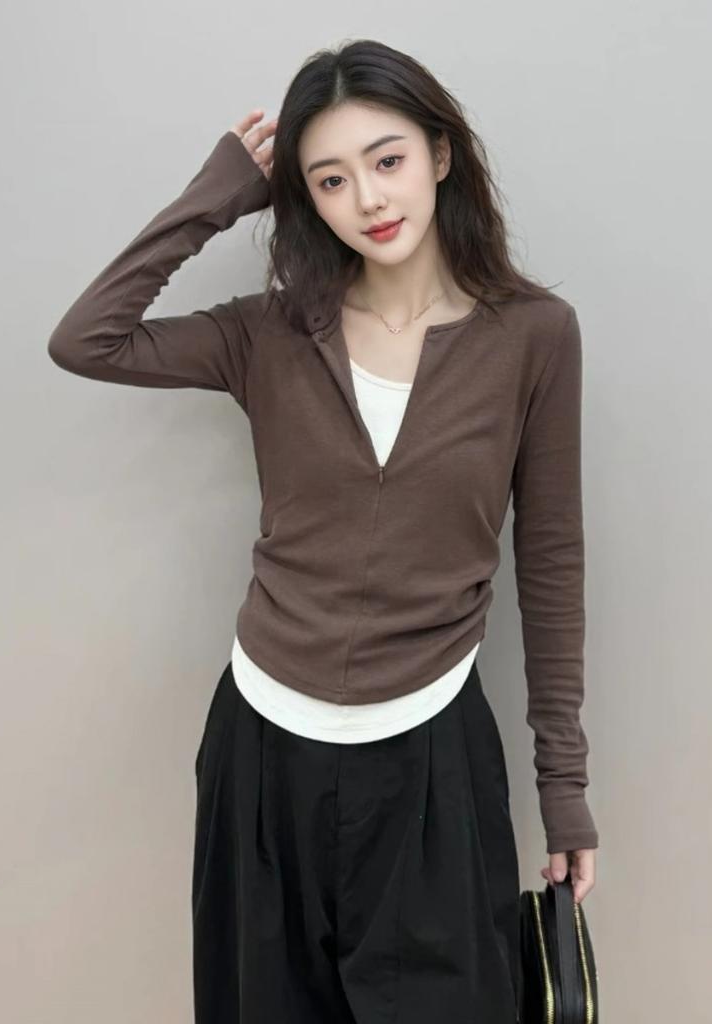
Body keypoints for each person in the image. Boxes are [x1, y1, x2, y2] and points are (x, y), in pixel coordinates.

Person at [49, 38, 598, 1024]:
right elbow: (88, 339)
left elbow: (551, 561)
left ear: (440, 154)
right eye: (330, 179)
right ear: (303, 197)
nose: (368, 199)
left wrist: (564, 787)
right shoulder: (268, 333)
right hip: (262, 756)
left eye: (387, 160)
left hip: (433, 759)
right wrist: (216, 195)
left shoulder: (533, 335)